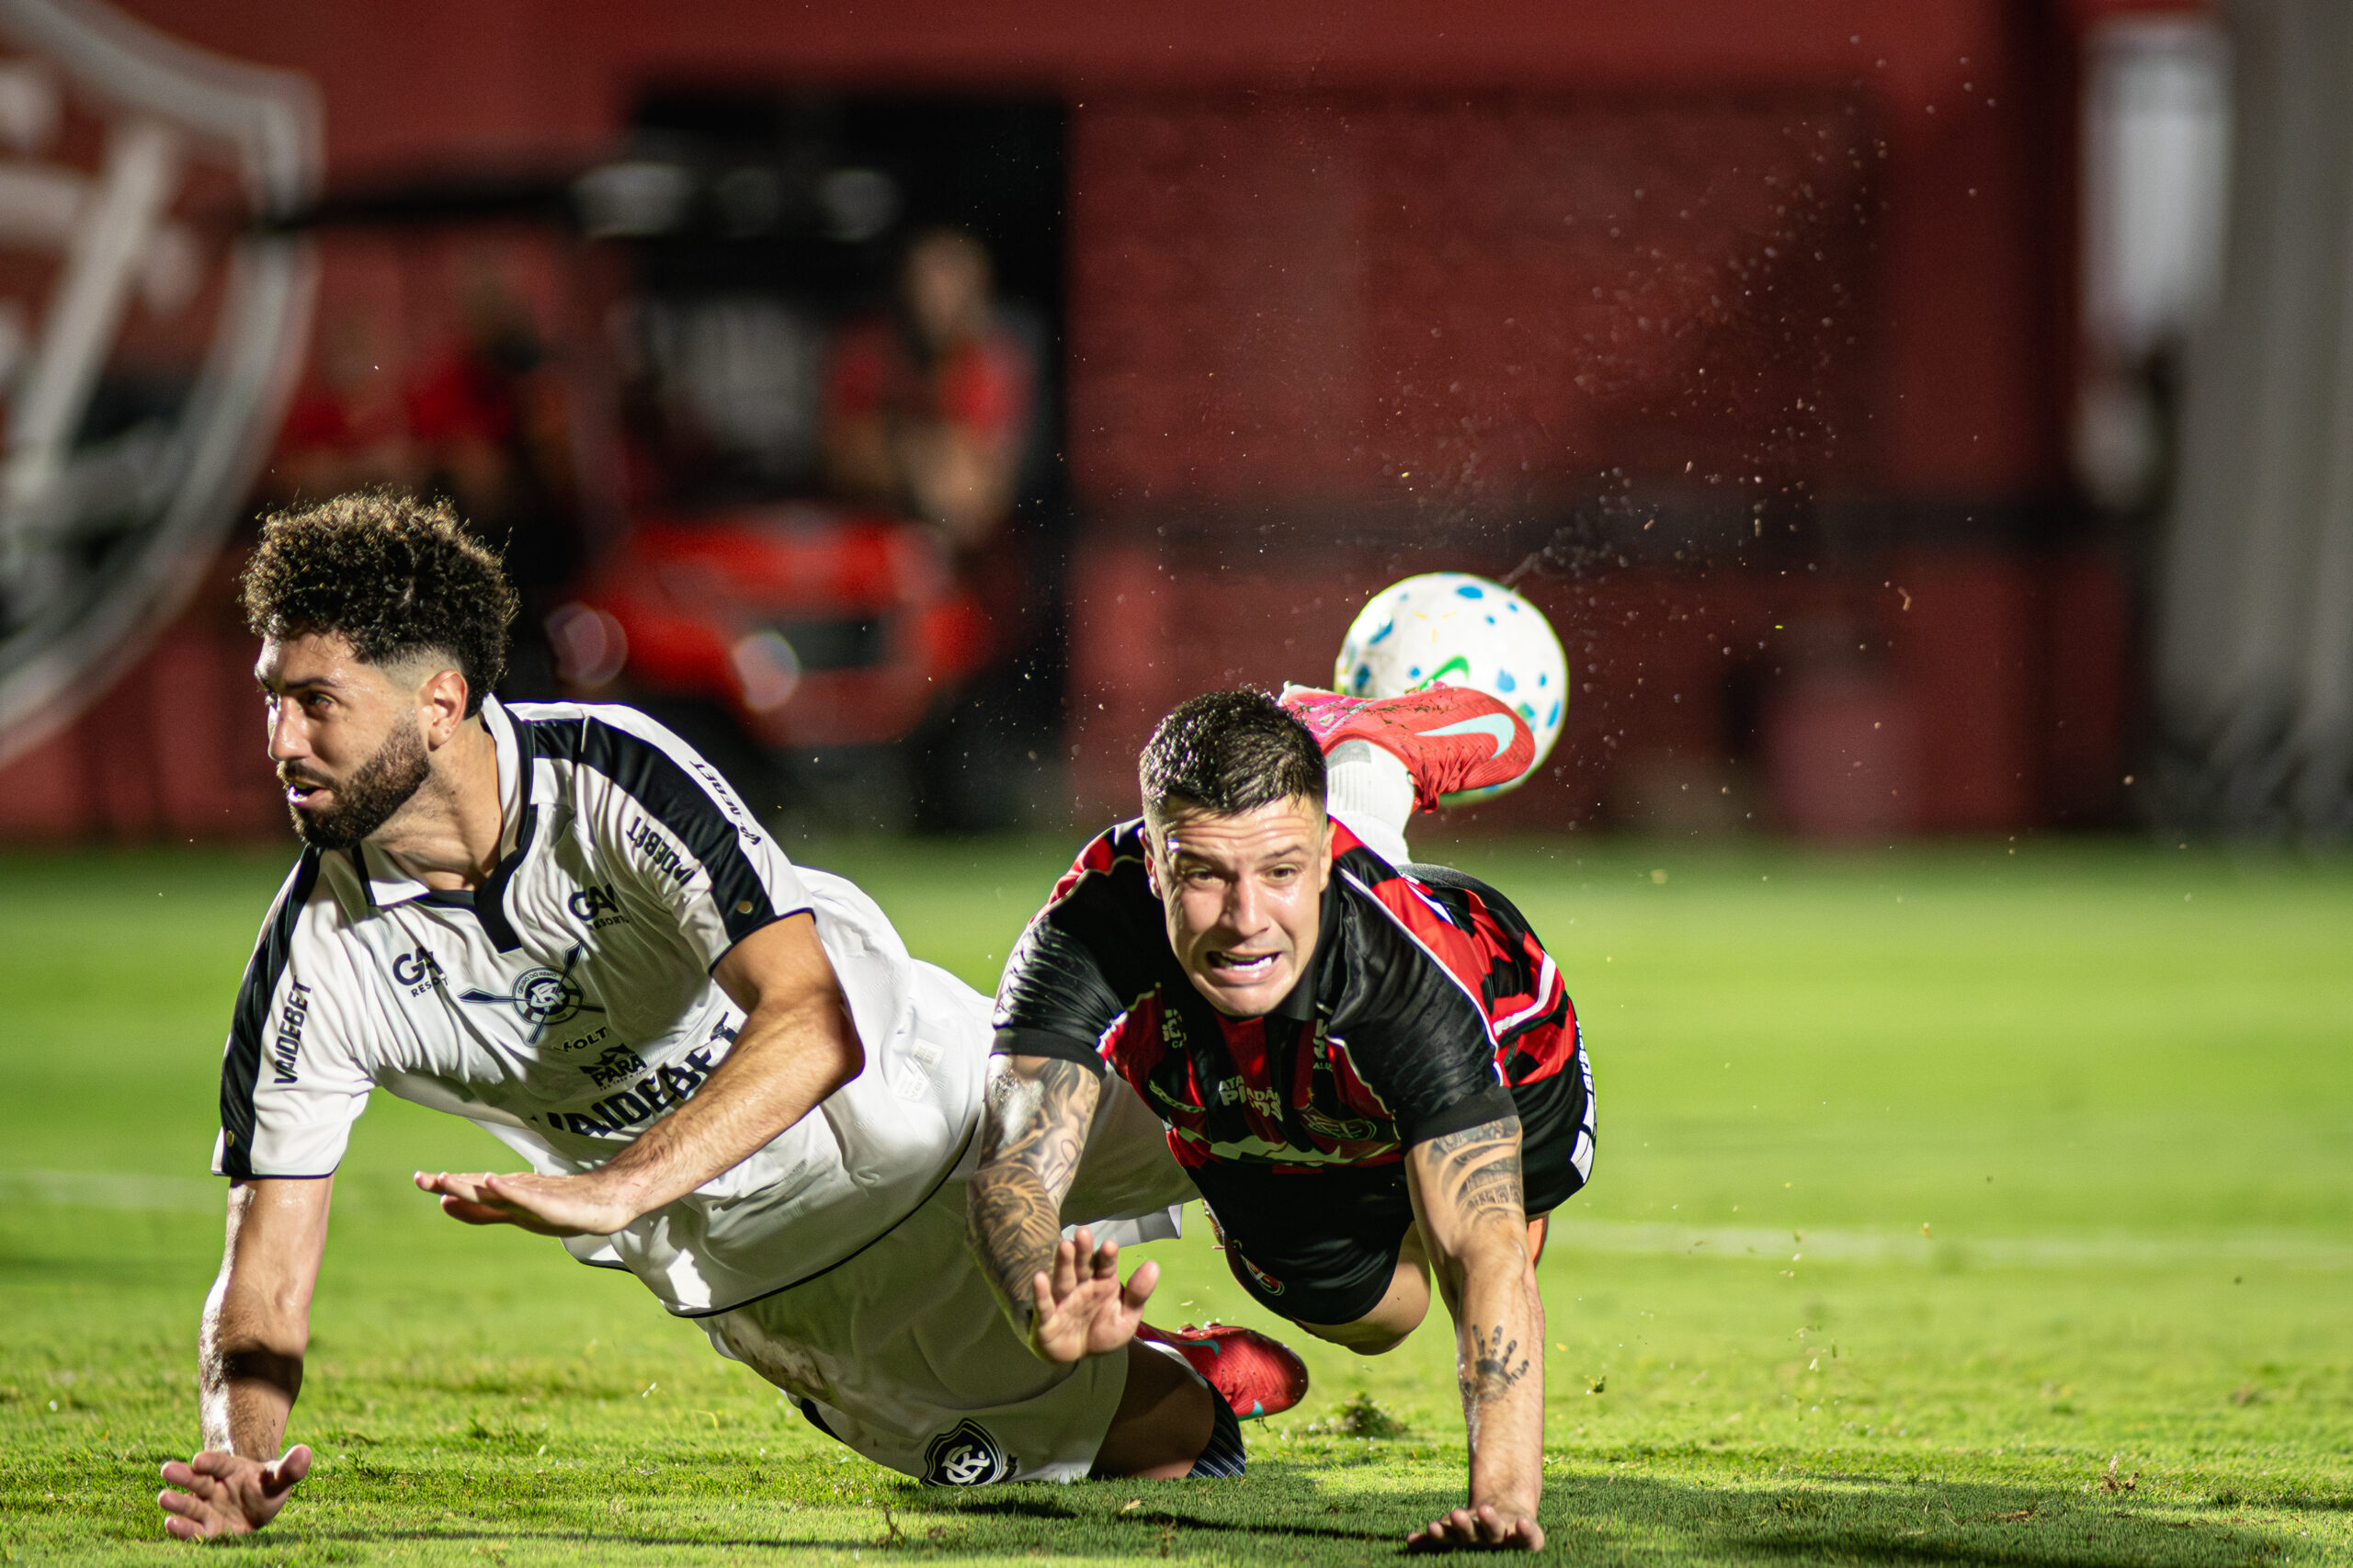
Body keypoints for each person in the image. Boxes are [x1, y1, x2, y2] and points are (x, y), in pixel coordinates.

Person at [153, 494, 1302, 1540]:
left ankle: (1358, 755)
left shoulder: (608, 775)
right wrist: (236, 1451)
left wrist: (616, 1187)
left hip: (949, 1092)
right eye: (273, 700)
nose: (280, 742)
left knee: (1308, 1127)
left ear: (440, 702)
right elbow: (265, 1272)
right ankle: (1171, 1357)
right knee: (1170, 1442)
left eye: (315, 703)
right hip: (790, 1269)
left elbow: (814, 1025)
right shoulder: (314, 961)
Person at [968, 687, 1597, 1552]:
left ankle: (1368, 760)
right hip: (1267, 1109)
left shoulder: (1404, 976)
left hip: (1511, 1047)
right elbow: (1013, 1169)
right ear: (1153, 866)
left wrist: (1503, 1501)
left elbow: (1480, 1251)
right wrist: (1032, 1296)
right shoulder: (1082, 935)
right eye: (1203, 874)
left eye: (1281, 871)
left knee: (1488, 1243)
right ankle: (1346, 772)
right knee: (1379, 1321)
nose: (1245, 920)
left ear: (1325, 858)